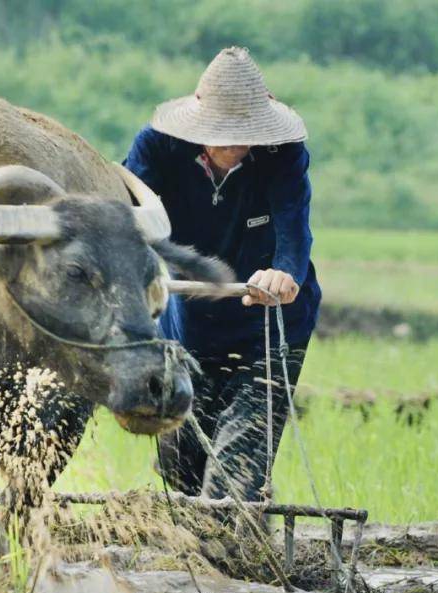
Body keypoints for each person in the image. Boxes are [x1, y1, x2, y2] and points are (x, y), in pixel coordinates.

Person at [123, 47, 320, 502]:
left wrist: (285, 275)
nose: (230, 145)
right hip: (187, 320)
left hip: (267, 326)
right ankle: (204, 551)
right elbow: (129, 213)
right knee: (178, 464)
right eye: (219, 134)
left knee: (233, 474)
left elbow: (294, 227)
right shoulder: (158, 146)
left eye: (242, 134)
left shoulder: (282, 155)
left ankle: (235, 554)